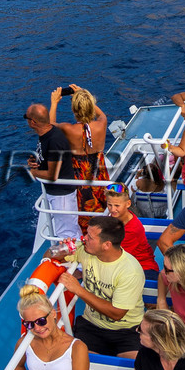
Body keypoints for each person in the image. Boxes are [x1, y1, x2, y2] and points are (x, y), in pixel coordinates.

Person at [59, 216, 146, 360]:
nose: (83, 238)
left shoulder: (130, 271)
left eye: (90, 237)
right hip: (91, 326)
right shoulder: (84, 250)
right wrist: (60, 249)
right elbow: (49, 257)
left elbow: (117, 314)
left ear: (106, 245)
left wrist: (78, 290)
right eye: (86, 233)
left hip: (128, 330)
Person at [50, 85, 110, 215]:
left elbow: (50, 127)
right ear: (90, 105)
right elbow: (101, 115)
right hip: (99, 174)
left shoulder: (68, 129)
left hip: (80, 178)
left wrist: (54, 103)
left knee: (84, 207)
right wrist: (83, 95)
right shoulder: (101, 123)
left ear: (73, 109)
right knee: (102, 203)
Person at [27, 103, 80, 241]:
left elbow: (52, 175)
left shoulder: (54, 140)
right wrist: (36, 162)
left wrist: (34, 172)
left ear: (33, 122)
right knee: (70, 229)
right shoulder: (46, 134)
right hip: (57, 193)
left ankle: (70, 260)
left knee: (66, 234)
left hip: (62, 196)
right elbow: (47, 157)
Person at [104, 184, 158, 274]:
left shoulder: (133, 229)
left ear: (128, 204)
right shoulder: (116, 217)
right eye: (109, 205)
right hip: (127, 265)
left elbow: (115, 255)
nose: (112, 209)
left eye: (117, 206)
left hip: (143, 268)